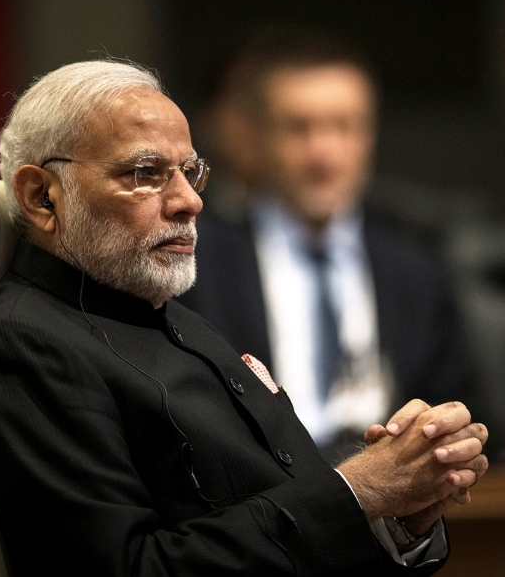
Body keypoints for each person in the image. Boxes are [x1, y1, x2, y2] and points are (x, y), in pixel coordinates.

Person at [0, 60, 488, 577]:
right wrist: (359, 491)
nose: (189, 200)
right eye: (146, 174)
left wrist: (398, 516)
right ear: (42, 197)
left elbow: (300, 540)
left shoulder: (178, 320)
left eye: (190, 171)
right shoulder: (23, 347)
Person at [177, 30, 472, 464]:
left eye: (344, 126)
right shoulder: (197, 264)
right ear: (256, 139)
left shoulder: (417, 270)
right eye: (299, 128)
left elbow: (459, 410)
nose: (324, 153)